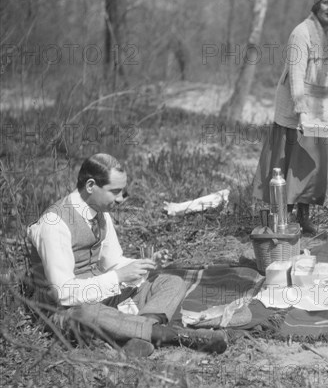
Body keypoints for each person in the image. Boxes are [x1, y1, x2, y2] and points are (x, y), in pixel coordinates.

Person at [27, 153, 227, 357]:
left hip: (101, 298)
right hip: (64, 311)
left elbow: (114, 262)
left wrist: (144, 264)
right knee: (86, 313)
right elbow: (64, 293)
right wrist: (119, 277)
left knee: (171, 282)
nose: (121, 199)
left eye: (123, 192)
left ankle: (136, 336)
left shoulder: (100, 212)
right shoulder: (54, 223)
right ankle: (172, 335)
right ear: (90, 186)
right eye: (115, 192)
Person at [252, 0, 328, 234]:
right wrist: (301, 110)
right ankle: (282, 216)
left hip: (320, 106)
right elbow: (296, 73)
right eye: (327, 4)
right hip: (295, 104)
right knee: (289, 160)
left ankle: (304, 215)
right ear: (317, 5)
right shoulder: (300, 33)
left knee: (311, 164)